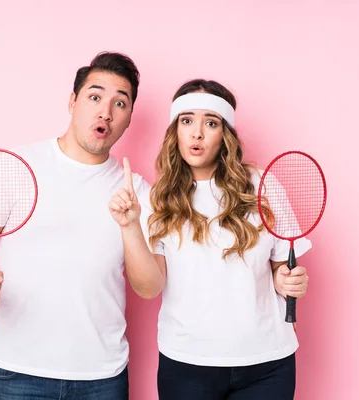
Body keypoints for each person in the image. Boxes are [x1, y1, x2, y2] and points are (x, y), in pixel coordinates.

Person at [0, 51, 150, 400]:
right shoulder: (15, 166)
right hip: (16, 374)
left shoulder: (138, 191)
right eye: (95, 96)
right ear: (72, 102)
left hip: (102, 378)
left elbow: (149, 285)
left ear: (129, 118)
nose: (105, 111)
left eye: (120, 103)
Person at [109, 79, 312, 399]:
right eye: (187, 120)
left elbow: (280, 268)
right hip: (188, 364)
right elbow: (149, 288)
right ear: (175, 130)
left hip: (267, 363)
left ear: (225, 135)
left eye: (211, 122)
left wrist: (287, 281)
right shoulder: (156, 198)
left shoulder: (262, 184)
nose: (197, 132)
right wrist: (130, 226)